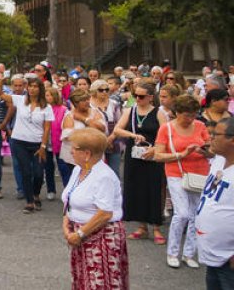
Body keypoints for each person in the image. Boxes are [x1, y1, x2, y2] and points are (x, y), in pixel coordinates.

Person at [61, 128, 129, 290]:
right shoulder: (79, 170)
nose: (70, 151)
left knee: (100, 283)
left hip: (101, 236)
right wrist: (66, 224)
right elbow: (68, 197)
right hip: (80, 233)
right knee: (83, 280)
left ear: (87, 154)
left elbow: (105, 213)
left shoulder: (103, 176)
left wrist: (80, 233)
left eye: (74, 148)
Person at [153, 94, 211, 269]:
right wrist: (182, 153)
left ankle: (189, 253)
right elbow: (158, 155)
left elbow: (212, 150)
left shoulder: (200, 125)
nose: (191, 118)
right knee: (182, 213)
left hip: (200, 174)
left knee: (196, 215)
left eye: (194, 114)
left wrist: (204, 151)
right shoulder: (166, 129)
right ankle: (172, 252)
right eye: (187, 114)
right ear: (177, 112)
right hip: (176, 172)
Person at [110, 79, 169, 245]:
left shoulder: (159, 113)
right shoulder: (130, 110)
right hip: (134, 154)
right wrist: (132, 135)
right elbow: (117, 129)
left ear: (151, 97)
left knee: (154, 188)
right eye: (135, 95)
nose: (138, 99)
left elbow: (166, 134)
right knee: (135, 187)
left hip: (152, 154)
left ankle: (156, 226)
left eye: (141, 96)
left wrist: (156, 149)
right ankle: (142, 226)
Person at [195, 116, 233, 289]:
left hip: (229, 261)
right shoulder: (219, 159)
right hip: (214, 256)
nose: (210, 137)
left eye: (216, 134)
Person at [10, 76, 53, 214]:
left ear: (40, 89)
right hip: (19, 142)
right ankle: (29, 201)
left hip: (37, 144)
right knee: (26, 172)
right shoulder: (20, 100)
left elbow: (47, 128)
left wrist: (43, 146)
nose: (32, 89)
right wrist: (0, 82)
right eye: (30, 86)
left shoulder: (46, 107)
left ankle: (35, 194)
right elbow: (1, 95)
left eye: (36, 87)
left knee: (39, 173)